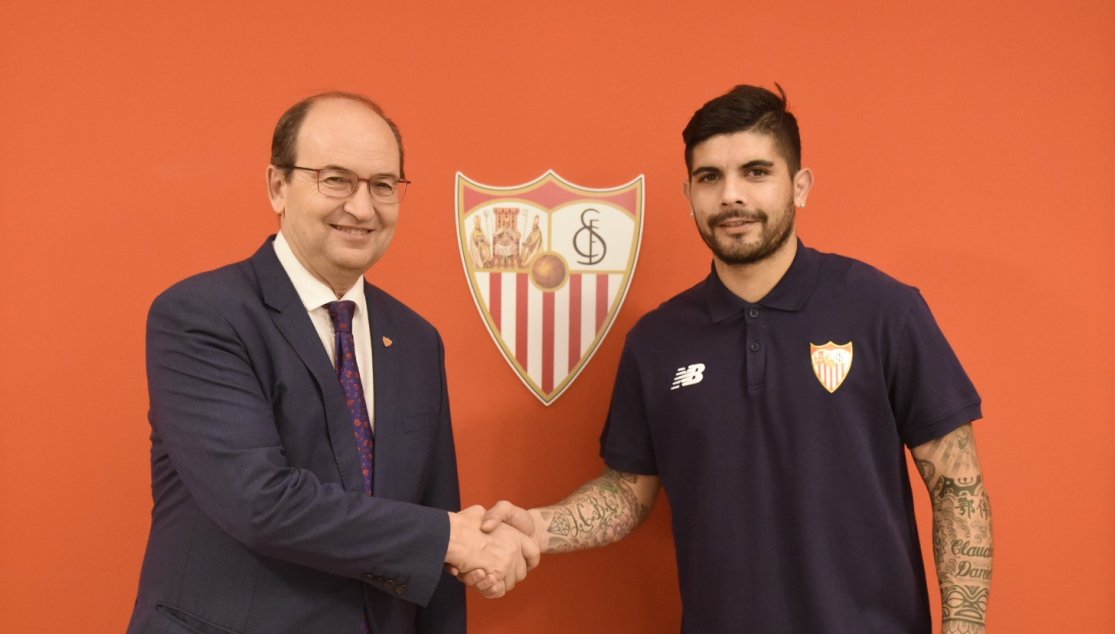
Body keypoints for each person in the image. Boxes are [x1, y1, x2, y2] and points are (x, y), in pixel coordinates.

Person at [477, 84, 993, 633]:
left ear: (800, 186)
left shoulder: (885, 310)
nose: (730, 196)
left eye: (756, 172)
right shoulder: (656, 341)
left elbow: (957, 487)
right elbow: (628, 492)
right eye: (709, 177)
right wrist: (538, 529)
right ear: (689, 193)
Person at [128, 92, 537, 634]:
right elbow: (260, 503)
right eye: (336, 180)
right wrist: (450, 537)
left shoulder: (416, 340)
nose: (363, 208)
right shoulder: (202, 315)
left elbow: (434, 513)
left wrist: (456, 542)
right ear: (278, 186)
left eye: (383, 185)